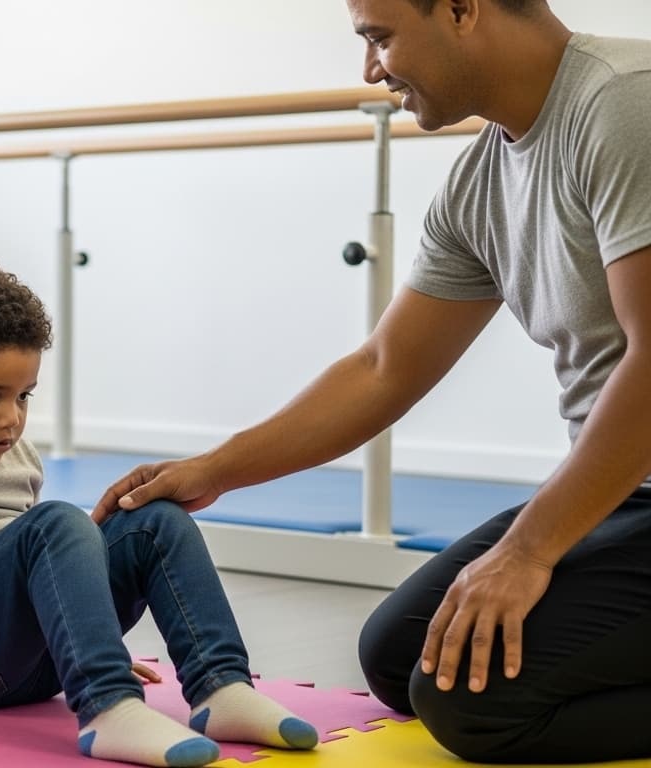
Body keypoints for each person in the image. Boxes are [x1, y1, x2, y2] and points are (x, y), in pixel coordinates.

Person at [92, 1, 651, 762]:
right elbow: (383, 369)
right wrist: (211, 470)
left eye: (379, 38)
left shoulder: (626, 100)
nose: (370, 69)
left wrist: (527, 553)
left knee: (475, 706)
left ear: (461, 9)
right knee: (402, 655)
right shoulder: (480, 183)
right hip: (632, 491)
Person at [0, 258, 317, 768]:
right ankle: (108, 706)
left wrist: (86, 641)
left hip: (27, 664)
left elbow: (40, 575)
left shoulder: (16, 454)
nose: (12, 418)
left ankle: (220, 688)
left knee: (156, 517)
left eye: (24, 396)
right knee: (58, 522)